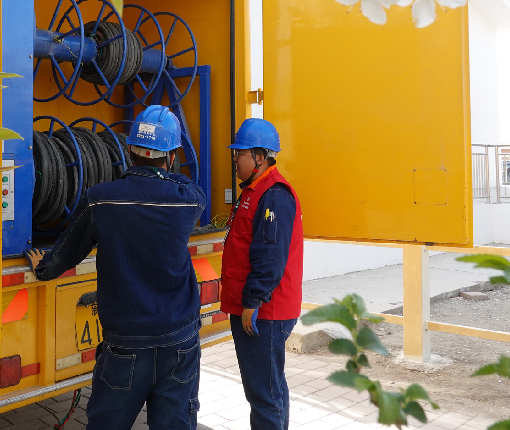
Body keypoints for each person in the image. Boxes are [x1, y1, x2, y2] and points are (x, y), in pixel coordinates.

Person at [26, 105, 206, 430]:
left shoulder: (100, 200)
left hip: (126, 346)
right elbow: (188, 185)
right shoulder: (187, 200)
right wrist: (162, 174)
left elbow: (68, 252)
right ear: (171, 157)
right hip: (179, 342)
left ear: (129, 150)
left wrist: (44, 267)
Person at [220, 118, 304, 430]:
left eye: (239, 154)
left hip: (265, 312)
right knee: (269, 389)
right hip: (258, 308)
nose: (234, 159)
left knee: (264, 394)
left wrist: (252, 302)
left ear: (259, 157)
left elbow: (270, 257)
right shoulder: (255, 190)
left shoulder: (274, 195)